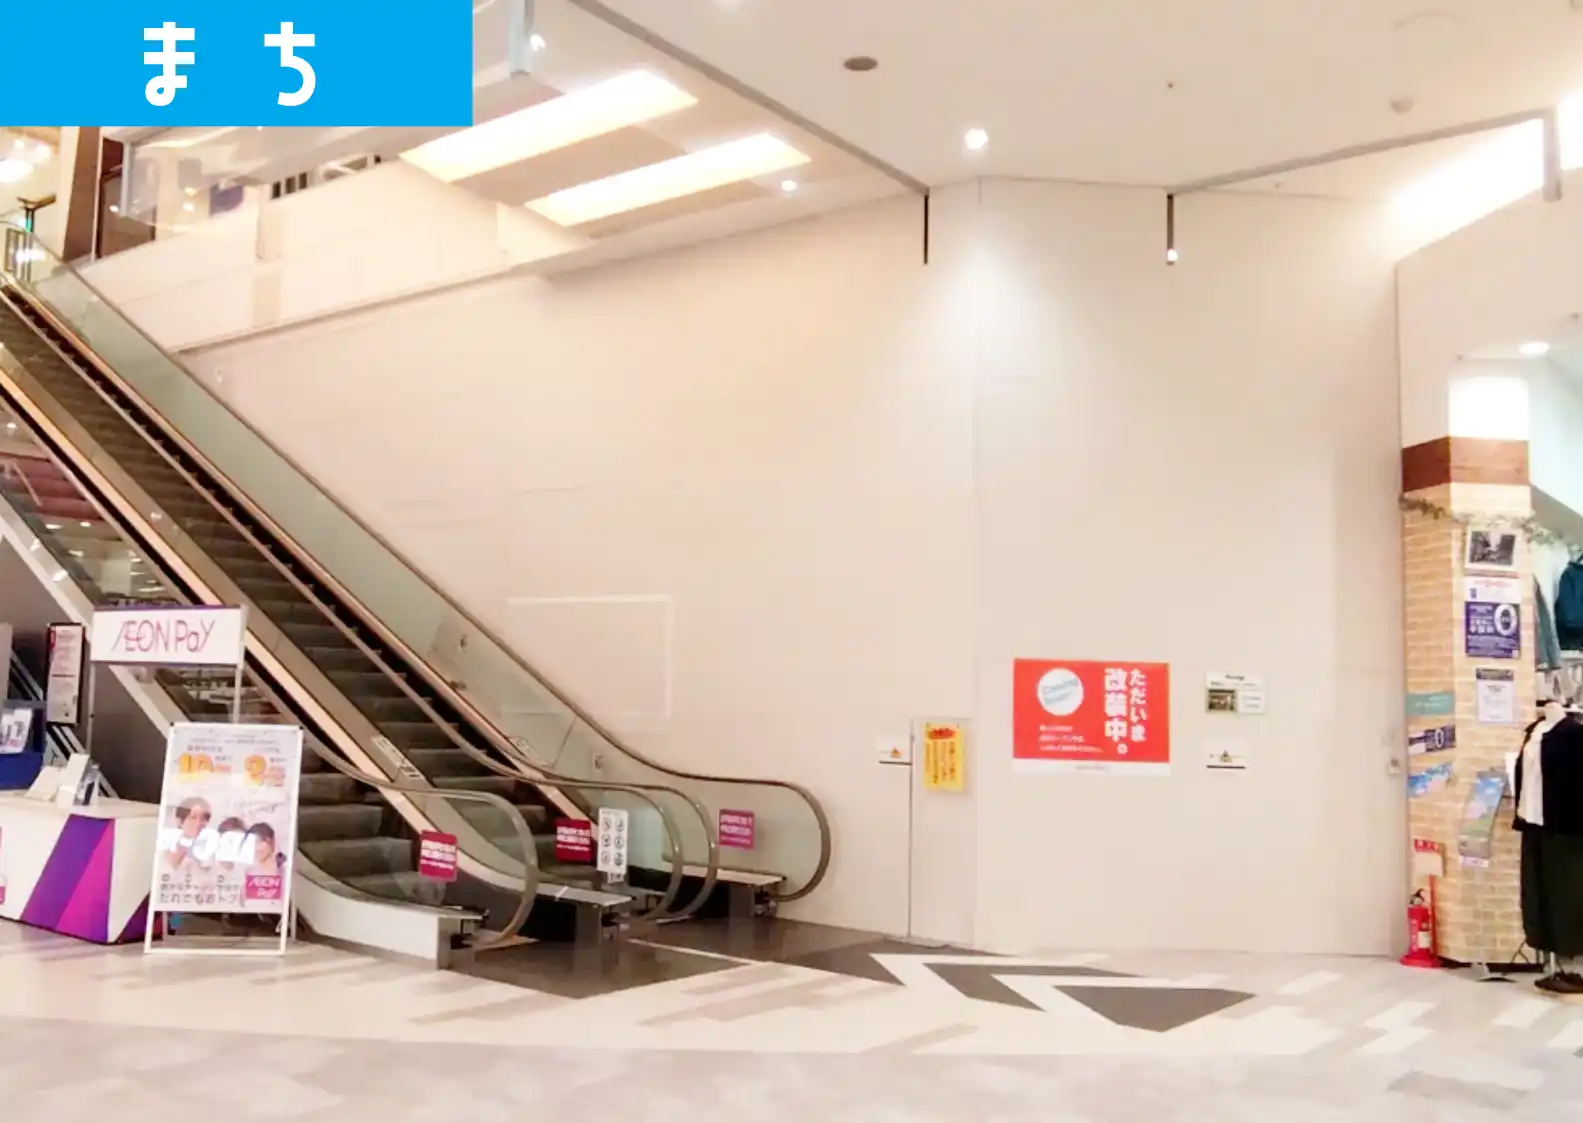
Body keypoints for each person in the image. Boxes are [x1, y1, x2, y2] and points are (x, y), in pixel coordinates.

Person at [1515, 700, 1583, 996]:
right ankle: (1554, 963)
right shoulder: (1533, 731)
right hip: (1533, 824)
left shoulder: (1574, 735)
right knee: (1537, 893)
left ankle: (1575, 966)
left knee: (1569, 896)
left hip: (1567, 829)